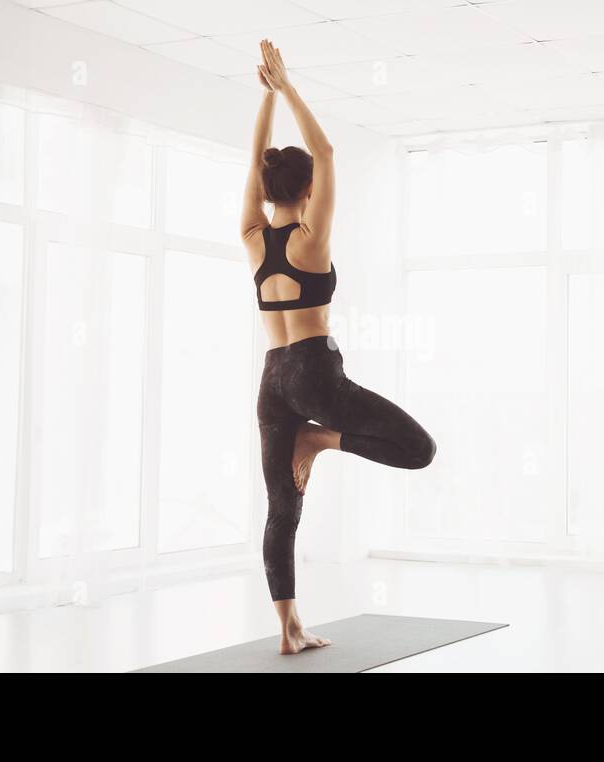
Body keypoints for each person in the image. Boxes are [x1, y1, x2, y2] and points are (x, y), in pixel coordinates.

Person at [240, 40, 437, 655]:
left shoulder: (252, 236)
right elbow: (324, 150)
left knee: (281, 510)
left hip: (272, 378)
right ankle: (320, 440)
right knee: (419, 449)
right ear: (307, 187)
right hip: (313, 375)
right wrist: (289, 87)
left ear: (270, 187)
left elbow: (255, 163)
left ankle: (288, 628)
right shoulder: (308, 239)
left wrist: (266, 97)